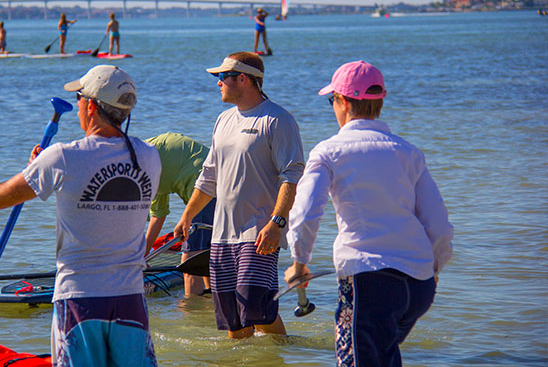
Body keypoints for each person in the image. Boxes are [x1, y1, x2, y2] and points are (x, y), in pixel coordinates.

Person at [0, 65, 161, 367]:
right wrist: (41, 167)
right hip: (130, 297)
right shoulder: (149, 155)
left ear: (92, 106)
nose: (79, 106)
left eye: (81, 98)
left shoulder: (63, 156)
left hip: (79, 297)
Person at [284, 60, 454, 367]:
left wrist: (299, 263)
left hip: (369, 279)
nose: (333, 107)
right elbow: (439, 224)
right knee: (385, 357)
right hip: (419, 286)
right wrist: (434, 268)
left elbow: (306, 212)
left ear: (345, 102)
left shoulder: (328, 151)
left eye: (332, 100)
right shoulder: (408, 151)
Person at [174, 51, 304, 339]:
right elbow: (209, 177)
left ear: (243, 79)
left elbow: (292, 176)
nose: (217, 83)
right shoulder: (222, 120)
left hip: (259, 233)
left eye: (221, 77)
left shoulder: (278, 120)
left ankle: (281, 356)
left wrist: (277, 223)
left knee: (257, 310)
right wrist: (187, 216)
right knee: (233, 321)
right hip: (221, 236)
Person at [144, 132, 214, 297]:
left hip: (204, 181)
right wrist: (144, 255)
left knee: (190, 256)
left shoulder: (140, 166)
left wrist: (139, 258)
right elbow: (158, 216)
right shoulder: (146, 162)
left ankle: (190, 312)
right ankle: (210, 300)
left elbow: (137, 219)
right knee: (206, 250)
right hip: (213, 175)